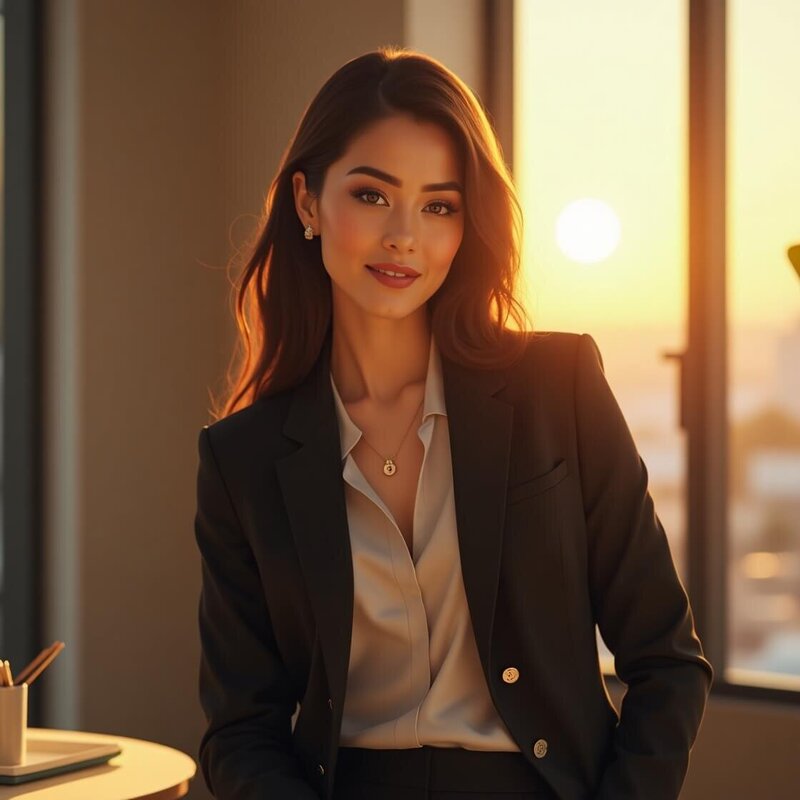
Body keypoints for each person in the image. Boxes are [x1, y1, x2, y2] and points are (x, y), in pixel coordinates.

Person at [193, 46, 713, 800]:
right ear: (307, 203)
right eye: (372, 195)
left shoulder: (556, 388)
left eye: (439, 205)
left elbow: (667, 660)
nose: (405, 235)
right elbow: (241, 728)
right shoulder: (240, 458)